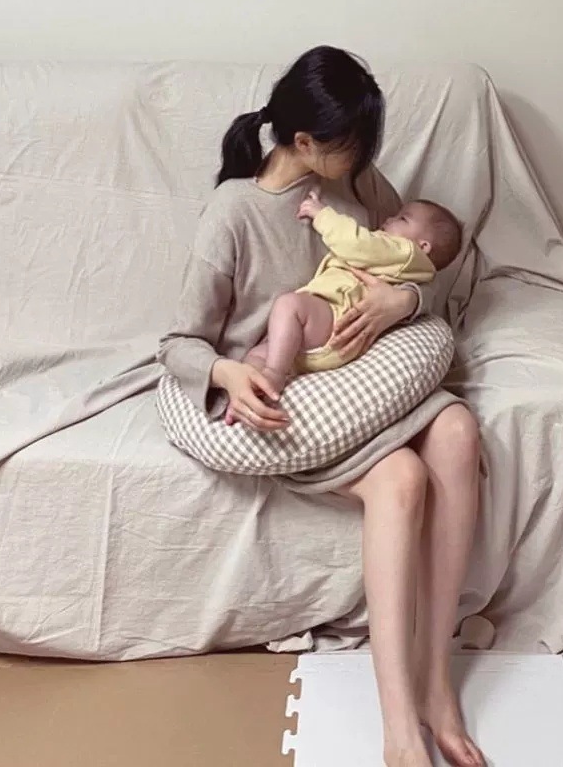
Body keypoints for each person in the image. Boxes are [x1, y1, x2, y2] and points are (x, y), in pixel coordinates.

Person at [159, 46, 485, 767]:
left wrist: (404, 301)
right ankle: (400, 730)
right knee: (402, 478)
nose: (367, 158)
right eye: (353, 144)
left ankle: (437, 683)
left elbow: (425, 258)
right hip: (298, 394)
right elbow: (178, 342)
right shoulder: (234, 213)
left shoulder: (356, 181)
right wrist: (225, 372)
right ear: (304, 141)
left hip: (364, 375)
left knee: (459, 429)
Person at [237, 189, 462, 402]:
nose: (389, 219)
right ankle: (251, 396)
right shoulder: (406, 267)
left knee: (289, 306)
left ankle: (274, 375)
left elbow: (356, 243)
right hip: (329, 342)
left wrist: (321, 214)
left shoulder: (405, 252)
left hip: (336, 319)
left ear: (423, 247)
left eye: (402, 219)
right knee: (257, 355)